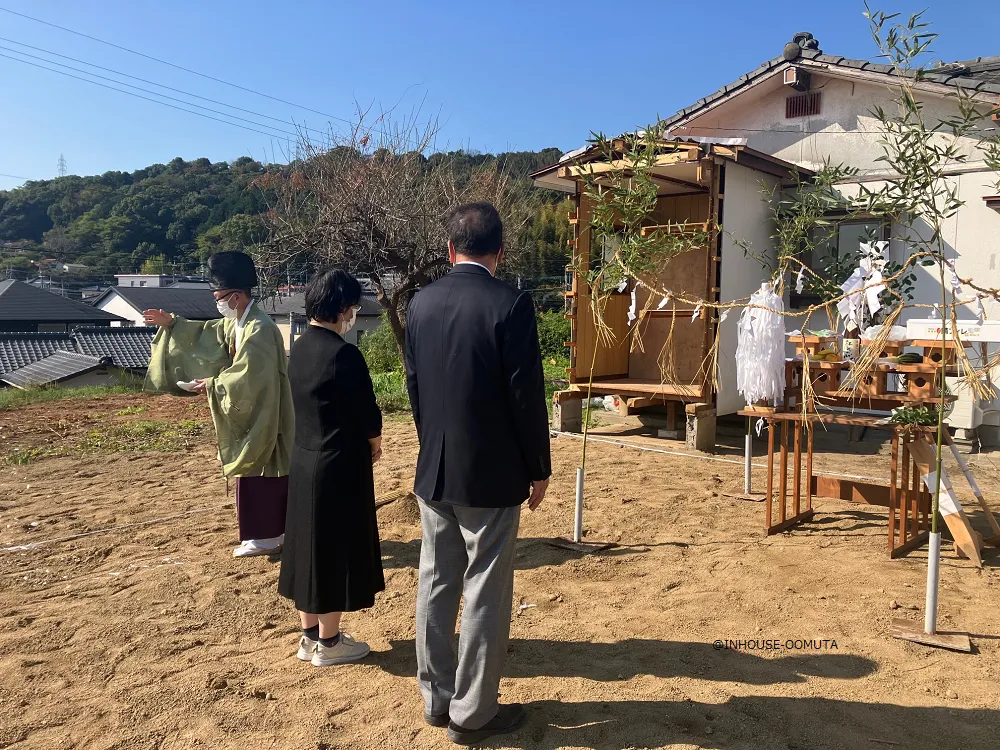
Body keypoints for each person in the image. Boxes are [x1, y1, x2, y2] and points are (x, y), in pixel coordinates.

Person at [404, 202, 552, 745]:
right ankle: (473, 713)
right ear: (500, 251)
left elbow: (415, 387)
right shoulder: (511, 304)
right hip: (490, 473)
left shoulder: (420, 302)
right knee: (485, 588)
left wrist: (431, 445)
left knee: (436, 581)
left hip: (435, 468)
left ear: (449, 249)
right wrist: (538, 466)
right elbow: (525, 398)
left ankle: (436, 699)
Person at [143, 251, 293, 558]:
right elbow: (207, 332)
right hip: (252, 408)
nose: (217, 302)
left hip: (264, 409)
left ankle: (266, 537)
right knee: (253, 468)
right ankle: (265, 534)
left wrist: (210, 384)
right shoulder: (240, 321)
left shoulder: (259, 328)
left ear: (236, 296)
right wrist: (172, 323)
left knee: (260, 467)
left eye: (219, 297)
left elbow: (249, 374)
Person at [277, 268, 385, 666]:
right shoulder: (344, 353)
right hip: (340, 462)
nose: (353, 313)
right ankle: (331, 641)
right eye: (354, 307)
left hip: (304, 458)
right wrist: (374, 442)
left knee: (307, 547)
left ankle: (309, 636)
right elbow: (366, 412)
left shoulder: (300, 347)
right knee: (335, 549)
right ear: (342, 307)